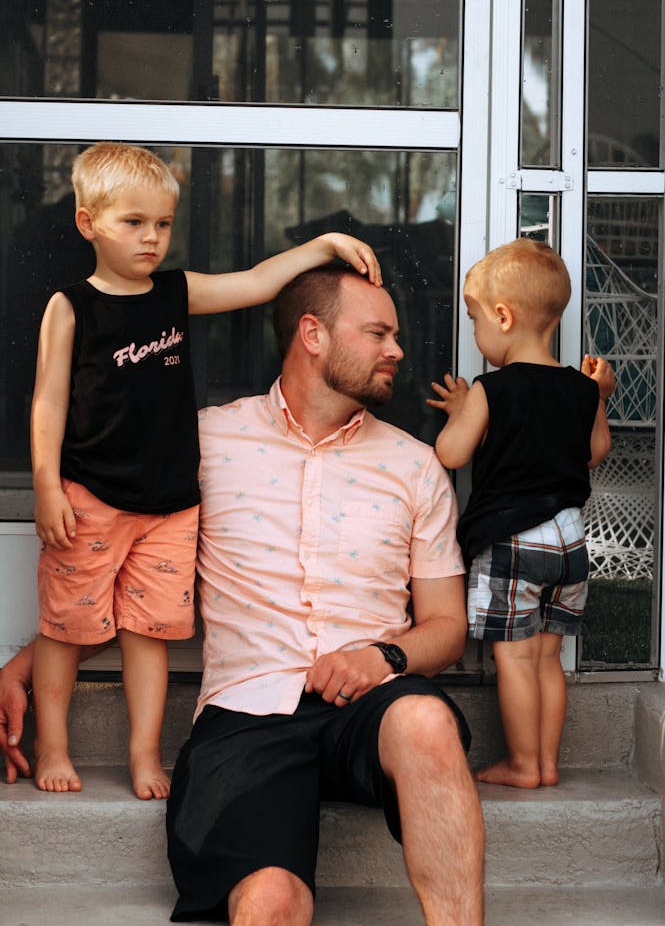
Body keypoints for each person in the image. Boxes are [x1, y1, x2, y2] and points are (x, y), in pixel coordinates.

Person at [1, 266, 485, 926]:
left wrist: (385, 657)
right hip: (245, 714)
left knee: (425, 720)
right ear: (311, 334)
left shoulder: (414, 464)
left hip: (370, 705)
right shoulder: (204, 442)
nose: (397, 349)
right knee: (270, 902)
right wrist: (27, 665)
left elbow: (446, 627)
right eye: (378, 332)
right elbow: (136, 580)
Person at [28, 140, 382, 802]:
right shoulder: (71, 305)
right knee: (65, 628)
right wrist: (47, 484)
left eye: (162, 223)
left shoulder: (175, 293)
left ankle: (141, 754)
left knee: (149, 631)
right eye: (133, 222)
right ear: (88, 223)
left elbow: (253, 283)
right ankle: (52, 743)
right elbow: (48, 399)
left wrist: (322, 245)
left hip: (169, 504)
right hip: (90, 497)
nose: (151, 237)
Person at [427, 237, 615, 790]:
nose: (475, 334)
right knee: (548, 659)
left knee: (514, 659)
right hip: (570, 541)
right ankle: (549, 764)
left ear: (503, 317)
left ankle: (521, 764)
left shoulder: (492, 388)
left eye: (475, 320)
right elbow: (595, 452)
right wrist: (599, 397)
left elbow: (450, 454)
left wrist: (464, 411)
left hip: (515, 539)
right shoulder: (580, 390)